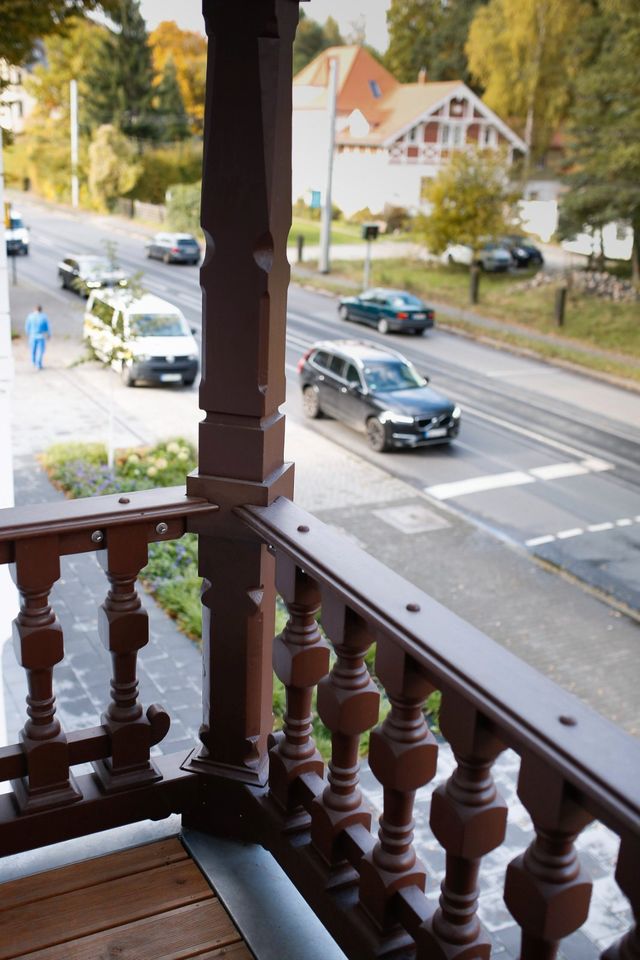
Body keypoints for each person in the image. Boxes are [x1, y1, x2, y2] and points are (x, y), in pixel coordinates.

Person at [25, 305, 51, 370]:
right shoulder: (43, 317)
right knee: (40, 351)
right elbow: (47, 327)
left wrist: (27, 333)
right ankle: (38, 364)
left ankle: (33, 362)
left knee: (33, 350)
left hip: (32, 335)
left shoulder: (30, 316)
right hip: (41, 336)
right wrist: (48, 335)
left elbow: (27, 326)